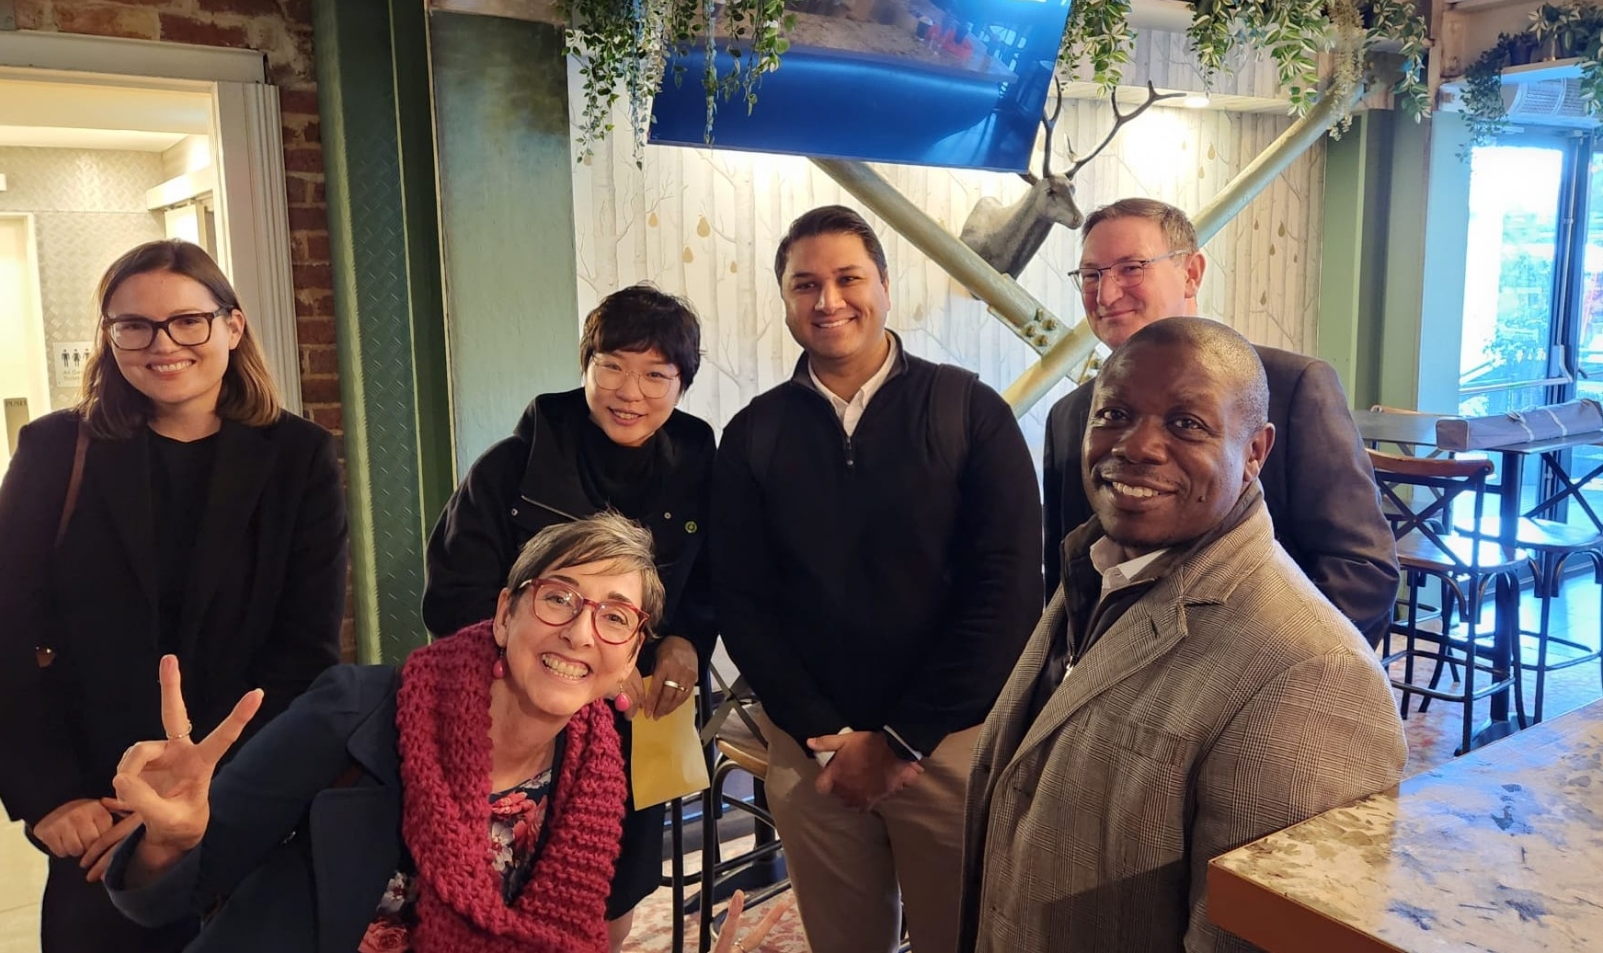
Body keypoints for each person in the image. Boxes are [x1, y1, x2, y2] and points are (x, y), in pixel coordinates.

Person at [959, 318, 1408, 953]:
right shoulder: (1097, 565)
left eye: (1186, 424)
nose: (1135, 446)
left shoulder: (1311, 673)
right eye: (1113, 413)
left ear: (1255, 452)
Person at [0, 239, 348, 952]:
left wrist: (199, 795)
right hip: (95, 802)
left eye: (187, 320)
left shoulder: (300, 458)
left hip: (240, 791)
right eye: (133, 325)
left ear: (232, 325)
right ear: (109, 339)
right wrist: (49, 796)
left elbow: (303, 656)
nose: (162, 344)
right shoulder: (54, 451)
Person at [711, 205, 1044, 953]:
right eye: (806, 285)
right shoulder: (755, 434)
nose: (828, 301)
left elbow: (1009, 590)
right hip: (812, 752)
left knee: (964, 940)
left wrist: (898, 741)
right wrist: (825, 741)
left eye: (848, 278)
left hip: (951, 746)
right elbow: (744, 599)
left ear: (885, 287)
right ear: (787, 300)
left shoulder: (970, 412)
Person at [105, 514, 663, 952]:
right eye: (559, 598)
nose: (578, 632)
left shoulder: (601, 775)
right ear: (503, 614)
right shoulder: (357, 714)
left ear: (632, 654)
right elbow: (169, 900)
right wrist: (170, 842)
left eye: (615, 617)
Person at [422, 284, 714, 950]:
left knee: (610, 881)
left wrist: (688, 643)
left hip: (635, 722)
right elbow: (454, 597)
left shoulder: (696, 467)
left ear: (681, 384)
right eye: (611, 365)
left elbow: (711, 575)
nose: (629, 391)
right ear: (585, 365)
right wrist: (579, 672)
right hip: (518, 725)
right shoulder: (510, 468)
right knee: (504, 891)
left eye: (655, 374)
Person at [1043, 198, 1398, 646]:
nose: (1106, 293)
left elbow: (1362, 571)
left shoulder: (1291, 388)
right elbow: (1067, 585)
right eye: (1092, 275)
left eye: (1131, 268)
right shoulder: (1070, 417)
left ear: (1191, 273)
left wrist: (1241, 677)